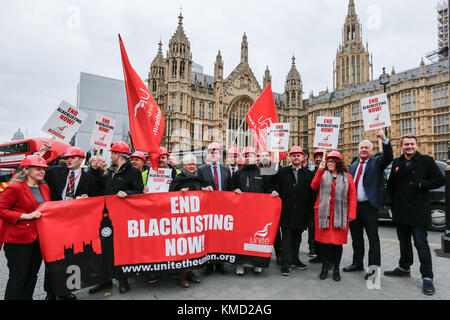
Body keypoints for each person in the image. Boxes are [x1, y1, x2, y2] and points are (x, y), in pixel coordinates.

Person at [384, 135, 445, 296]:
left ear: (416, 145)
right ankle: (404, 268)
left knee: (421, 244)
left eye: (412, 144)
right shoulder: (397, 162)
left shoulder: (426, 161)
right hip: (401, 208)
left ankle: (427, 277)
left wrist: (422, 184)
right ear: (401, 146)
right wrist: (388, 201)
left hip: (418, 209)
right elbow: (391, 183)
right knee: (403, 242)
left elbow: (440, 179)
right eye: (406, 144)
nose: (409, 146)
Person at [88, 141, 144, 294]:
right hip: (105, 217)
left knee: (120, 249)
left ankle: (122, 280)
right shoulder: (111, 171)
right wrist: (94, 170)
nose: (110, 156)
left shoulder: (133, 172)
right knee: (104, 248)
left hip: (123, 217)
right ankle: (104, 281)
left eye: (112, 154)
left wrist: (128, 193)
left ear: (118, 155)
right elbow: (100, 184)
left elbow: (139, 193)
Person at [343, 129, 393, 279]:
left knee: (373, 239)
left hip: (369, 206)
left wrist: (384, 139)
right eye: (361, 148)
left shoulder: (377, 162)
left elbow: (388, 157)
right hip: (354, 207)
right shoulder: (353, 166)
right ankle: (357, 263)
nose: (363, 150)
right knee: (356, 238)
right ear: (358, 150)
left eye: (366, 148)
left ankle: (373, 269)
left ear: (371, 150)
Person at [0, 155, 50, 300]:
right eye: (38, 169)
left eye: (43, 169)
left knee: (32, 275)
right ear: (26, 170)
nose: (42, 172)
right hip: (18, 241)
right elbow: (1, 209)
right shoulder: (15, 187)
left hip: (38, 239)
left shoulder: (44, 187)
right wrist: (24, 216)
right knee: (18, 277)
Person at [231, 146, 278, 275]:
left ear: (255, 157)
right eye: (245, 156)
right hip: (241, 212)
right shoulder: (238, 173)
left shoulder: (263, 172)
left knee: (255, 238)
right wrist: (234, 190)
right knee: (240, 238)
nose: (248, 158)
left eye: (250, 155)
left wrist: (273, 192)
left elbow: (268, 188)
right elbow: (231, 188)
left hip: (258, 212)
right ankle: (240, 264)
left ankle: (257, 263)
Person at [311, 151, 357, 282]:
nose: (330, 163)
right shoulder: (322, 174)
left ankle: (336, 269)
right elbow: (313, 186)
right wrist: (320, 170)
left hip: (340, 216)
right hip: (323, 215)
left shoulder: (347, 177)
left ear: (338, 163)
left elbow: (352, 197)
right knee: (324, 245)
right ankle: (325, 268)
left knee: (337, 245)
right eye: (328, 161)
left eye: (333, 161)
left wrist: (352, 214)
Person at [272, 146, 315, 276]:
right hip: (286, 211)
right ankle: (286, 263)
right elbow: (274, 185)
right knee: (286, 238)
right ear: (290, 158)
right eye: (293, 155)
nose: (296, 157)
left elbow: (312, 193)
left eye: (298, 155)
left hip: (301, 212)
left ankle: (295, 260)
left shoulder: (308, 174)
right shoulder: (282, 172)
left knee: (297, 238)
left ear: (303, 157)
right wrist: (274, 191)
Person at [169, 153, 203, 288]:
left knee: (193, 246)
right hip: (181, 220)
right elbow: (169, 194)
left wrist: (205, 190)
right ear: (184, 166)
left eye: (194, 164)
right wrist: (179, 193)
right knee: (182, 248)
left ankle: (190, 273)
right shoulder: (179, 178)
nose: (192, 166)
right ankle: (181, 275)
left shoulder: (198, 178)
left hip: (195, 219)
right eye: (190, 164)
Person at [197, 142, 231, 276]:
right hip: (208, 209)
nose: (213, 153)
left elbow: (230, 188)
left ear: (220, 154)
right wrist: (203, 189)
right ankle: (209, 265)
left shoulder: (226, 170)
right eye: (211, 151)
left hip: (223, 209)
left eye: (216, 151)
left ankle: (220, 264)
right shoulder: (201, 169)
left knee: (221, 236)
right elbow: (197, 187)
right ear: (208, 154)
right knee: (209, 236)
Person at [260, 150, 282, 265]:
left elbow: (280, 185)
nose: (264, 157)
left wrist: (275, 191)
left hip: (272, 203)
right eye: (262, 155)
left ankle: (279, 254)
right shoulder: (257, 169)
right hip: (260, 205)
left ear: (270, 157)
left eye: (267, 155)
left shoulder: (276, 169)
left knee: (275, 230)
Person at [308, 149, 325, 264]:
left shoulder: (329, 171)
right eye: (317, 157)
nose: (318, 159)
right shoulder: (312, 171)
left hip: (325, 206)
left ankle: (325, 256)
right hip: (313, 204)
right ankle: (316, 252)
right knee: (313, 230)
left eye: (321, 157)